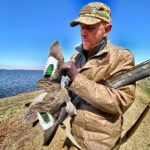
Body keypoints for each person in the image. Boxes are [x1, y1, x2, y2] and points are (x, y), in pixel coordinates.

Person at [60, 2, 135, 150]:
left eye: (90, 27)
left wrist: (77, 78)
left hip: (101, 144)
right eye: (81, 27)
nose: (83, 32)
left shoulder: (122, 57)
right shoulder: (76, 56)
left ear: (106, 29)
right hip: (74, 138)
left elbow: (121, 101)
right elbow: (70, 91)